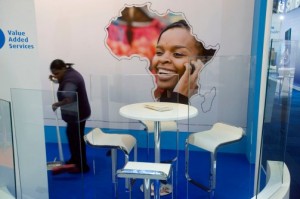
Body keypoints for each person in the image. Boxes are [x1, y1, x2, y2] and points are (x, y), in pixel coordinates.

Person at [151, 20, 217, 104]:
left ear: (202, 62)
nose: (163, 59)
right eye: (159, 52)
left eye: (177, 54)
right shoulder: (156, 99)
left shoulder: (211, 104)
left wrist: (179, 98)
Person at [49, 59, 91, 174]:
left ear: (63, 69)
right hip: (77, 113)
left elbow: (69, 98)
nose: (56, 76)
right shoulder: (69, 73)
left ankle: (82, 166)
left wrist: (57, 104)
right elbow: (65, 84)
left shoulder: (71, 79)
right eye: (54, 74)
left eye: (57, 74)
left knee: (76, 138)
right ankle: (75, 160)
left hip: (77, 114)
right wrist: (56, 79)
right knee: (73, 135)